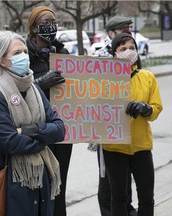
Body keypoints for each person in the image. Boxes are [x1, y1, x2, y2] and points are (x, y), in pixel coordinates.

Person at [0, 31, 65, 216]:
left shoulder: (34, 88)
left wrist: (29, 130)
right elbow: (11, 143)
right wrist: (44, 137)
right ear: (3, 61)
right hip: (14, 182)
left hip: (42, 175)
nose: (24, 56)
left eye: (25, 51)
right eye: (17, 53)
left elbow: (59, 129)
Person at [102, 32, 163, 216]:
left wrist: (146, 109)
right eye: (123, 49)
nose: (128, 52)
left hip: (141, 146)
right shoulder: (104, 80)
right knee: (118, 197)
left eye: (132, 48)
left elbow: (156, 108)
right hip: (114, 148)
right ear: (114, 54)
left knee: (146, 198)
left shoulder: (147, 77)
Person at [26, 6, 73, 216]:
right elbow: (15, 91)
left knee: (59, 185)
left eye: (54, 21)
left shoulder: (63, 54)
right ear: (35, 27)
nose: (51, 26)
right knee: (39, 187)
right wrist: (40, 83)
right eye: (46, 22)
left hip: (61, 132)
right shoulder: (23, 55)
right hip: (38, 131)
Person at [90, 16, 139, 216]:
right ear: (111, 34)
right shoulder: (102, 58)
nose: (127, 32)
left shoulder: (129, 53)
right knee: (108, 176)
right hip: (108, 126)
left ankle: (126, 208)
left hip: (129, 125)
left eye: (129, 29)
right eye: (122, 30)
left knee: (124, 175)